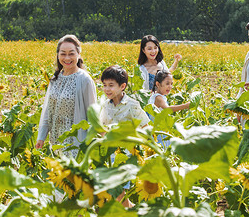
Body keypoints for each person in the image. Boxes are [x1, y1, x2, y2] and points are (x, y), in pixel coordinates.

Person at [36, 35, 97, 158]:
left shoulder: (84, 79)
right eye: (63, 54)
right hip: (56, 140)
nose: (67, 58)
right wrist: (41, 137)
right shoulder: (55, 79)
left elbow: (92, 113)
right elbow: (48, 109)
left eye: (71, 53)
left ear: (79, 54)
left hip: (76, 142)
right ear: (58, 55)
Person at [99, 65, 150, 208]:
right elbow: (102, 128)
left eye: (111, 85)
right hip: (110, 156)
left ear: (122, 86)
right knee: (115, 196)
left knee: (118, 195)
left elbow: (146, 126)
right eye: (104, 85)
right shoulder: (105, 105)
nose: (107, 89)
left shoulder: (132, 105)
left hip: (126, 156)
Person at [148, 70, 190, 148]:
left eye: (171, 84)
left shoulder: (155, 94)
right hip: (160, 132)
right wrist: (185, 106)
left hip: (158, 129)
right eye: (167, 84)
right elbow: (168, 109)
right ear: (158, 84)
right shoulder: (158, 98)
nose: (170, 86)